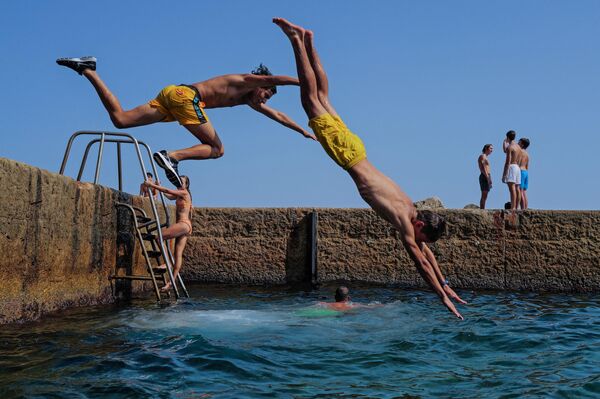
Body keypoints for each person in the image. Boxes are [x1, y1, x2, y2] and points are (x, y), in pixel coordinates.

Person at [273, 18, 465, 319]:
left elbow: (427, 254)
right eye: (422, 238)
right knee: (311, 99)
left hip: (356, 148)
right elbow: (420, 262)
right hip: (349, 155)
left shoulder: (408, 206)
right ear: (419, 226)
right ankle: (296, 41)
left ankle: (310, 40)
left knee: (323, 98)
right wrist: (441, 297)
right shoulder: (403, 219)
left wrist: (446, 282)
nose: (421, 243)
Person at [56, 56, 317, 188]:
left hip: (173, 95)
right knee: (217, 149)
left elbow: (278, 116)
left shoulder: (249, 101)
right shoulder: (246, 81)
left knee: (121, 120)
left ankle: (88, 70)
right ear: (264, 85)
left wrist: (303, 131)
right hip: (187, 98)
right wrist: (306, 82)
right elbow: (280, 79)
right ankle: (172, 156)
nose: (265, 101)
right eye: (267, 95)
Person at [143, 175, 193, 292]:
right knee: (178, 254)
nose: (179, 183)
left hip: (183, 224)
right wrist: (158, 186)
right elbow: (168, 195)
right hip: (186, 226)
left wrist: (152, 185)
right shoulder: (179, 194)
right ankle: (170, 283)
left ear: (186, 185)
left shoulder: (184, 193)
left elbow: (166, 190)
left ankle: (168, 262)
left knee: (159, 237)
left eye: (181, 182)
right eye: (178, 181)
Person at [502, 130, 522, 210]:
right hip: (517, 167)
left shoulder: (510, 147)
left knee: (512, 188)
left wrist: (504, 174)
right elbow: (505, 151)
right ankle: (517, 206)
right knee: (517, 188)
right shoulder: (519, 147)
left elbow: (507, 162)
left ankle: (513, 207)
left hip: (512, 166)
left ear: (507, 137)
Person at [478, 144, 493, 209]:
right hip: (484, 176)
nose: (492, 150)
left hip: (487, 175)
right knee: (484, 194)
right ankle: (482, 209)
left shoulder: (486, 157)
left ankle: (483, 208)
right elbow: (483, 168)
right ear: (486, 149)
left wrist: (490, 178)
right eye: (490, 148)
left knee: (485, 194)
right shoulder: (483, 156)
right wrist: (487, 177)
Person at [518, 138, 530, 209]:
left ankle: (522, 208)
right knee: (524, 192)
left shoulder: (520, 152)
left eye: (519, 142)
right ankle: (525, 208)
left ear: (522, 144)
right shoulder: (527, 154)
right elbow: (527, 166)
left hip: (521, 171)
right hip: (526, 172)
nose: (517, 143)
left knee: (520, 191)